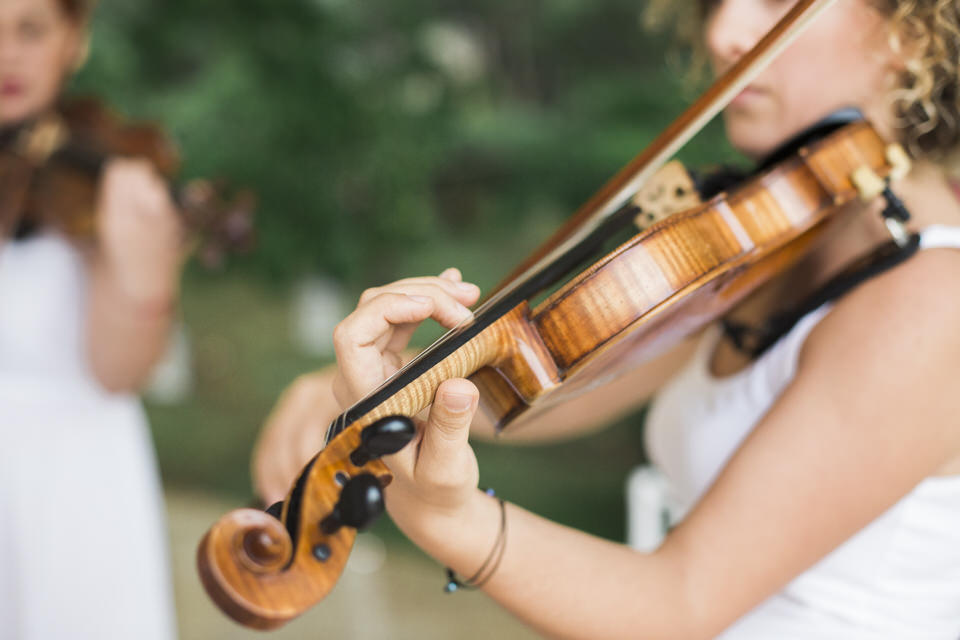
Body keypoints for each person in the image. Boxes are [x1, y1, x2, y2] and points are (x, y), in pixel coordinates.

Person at [254, 0, 960, 637]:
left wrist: (454, 520)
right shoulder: (770, 238)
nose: (724, 32)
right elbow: (527, 386)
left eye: (776, 1)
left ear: (910, 29)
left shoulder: (935, 303)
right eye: (715, 1)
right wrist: (373, 393)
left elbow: (678, 602)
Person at [0, 0, 181, 638]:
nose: (7, 54)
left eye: (31, 30)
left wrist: (143, 267)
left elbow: (118, 370)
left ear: (74, 39)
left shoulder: (106, 171)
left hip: (70, 485)